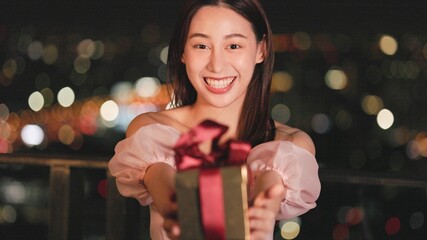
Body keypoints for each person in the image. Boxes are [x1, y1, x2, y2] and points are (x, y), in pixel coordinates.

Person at [109, 0, 321, 239]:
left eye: (233, 45)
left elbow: (272, 179)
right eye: (201, 45)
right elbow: (159, 175)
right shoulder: (153, 130)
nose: (217, 65)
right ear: (181, 51)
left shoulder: (287, 145)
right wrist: (174, 206)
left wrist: (264, 202)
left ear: (261, 50)